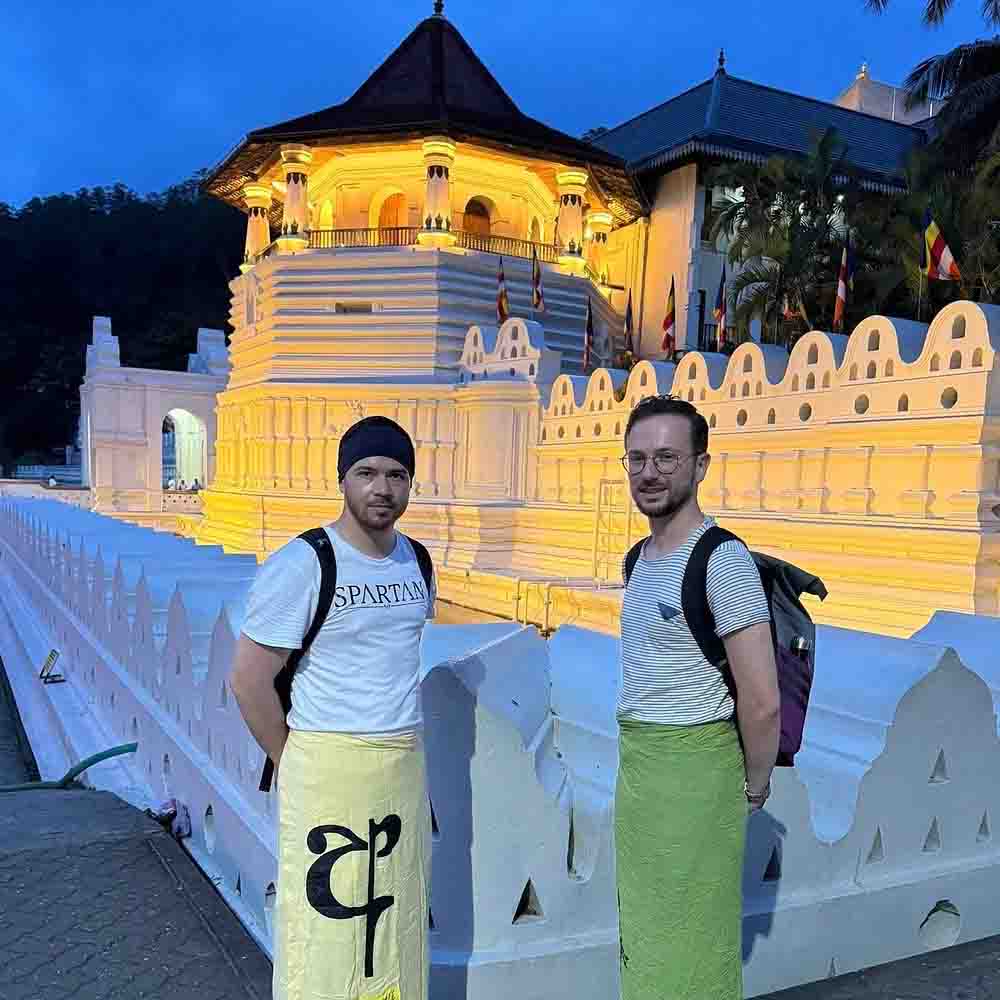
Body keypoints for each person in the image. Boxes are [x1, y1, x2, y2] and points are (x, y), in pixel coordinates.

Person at [230, 415, 435, 1000]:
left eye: (397, 475)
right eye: (366, 473)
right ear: (342, 479)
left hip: (401, 762)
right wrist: (291, 758)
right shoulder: (305, 562)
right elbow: (249, 680)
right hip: (326, 763)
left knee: (396, 922)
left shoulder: (416, 563)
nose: (383, 488)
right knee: (323, 931)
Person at [616, 394, 779, 1000]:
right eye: (637, 460)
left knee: (692, 938)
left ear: (700, 466)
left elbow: (761, 699)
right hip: (642, 771)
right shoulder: (638, 560)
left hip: (697, 771)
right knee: (647, 931)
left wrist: (753, 787)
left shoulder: (721, 561)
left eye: (666, 457)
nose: (649, 473)